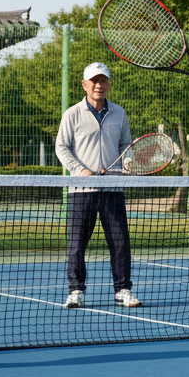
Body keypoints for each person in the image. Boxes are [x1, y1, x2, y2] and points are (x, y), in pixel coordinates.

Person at [55, 62, 141, 309]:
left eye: (103, 80)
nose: (98, 85)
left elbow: (126, 144)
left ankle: (123, 290)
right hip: (82, 191)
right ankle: (76, 291)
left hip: (113, 189)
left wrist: (128, 161)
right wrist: (79, 169)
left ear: (108, 84)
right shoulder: (72, 113)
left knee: (120, 242)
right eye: (94, 81)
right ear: (84, 84)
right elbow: (62, 147)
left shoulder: (119, 113)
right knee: (77, 244)